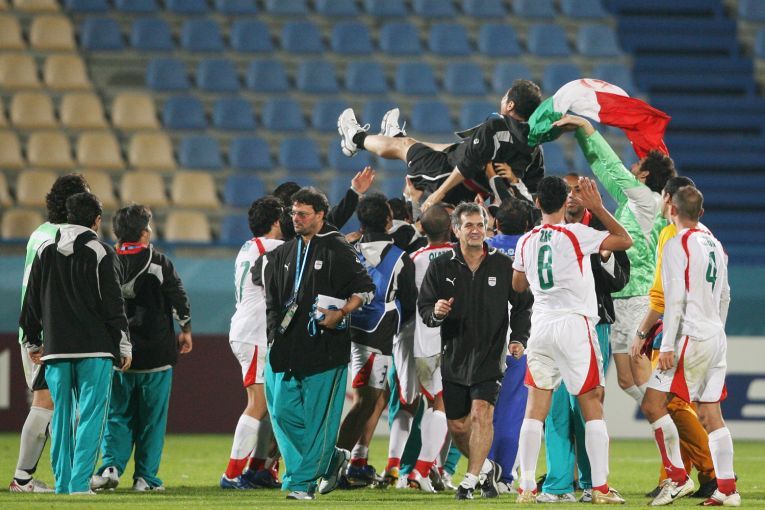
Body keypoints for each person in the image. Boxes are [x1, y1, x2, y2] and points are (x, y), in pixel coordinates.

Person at [512, 176, 632, 504]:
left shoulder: (526, 240)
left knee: (535, 408)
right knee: (591, 403)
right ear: (565, 203)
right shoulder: (577, 233)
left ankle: (526, 486)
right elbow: (624, 240)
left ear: (537, 203)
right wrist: (599, 208)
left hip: (541, 327)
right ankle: (600, 488)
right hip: (574, 325)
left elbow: (518, 285)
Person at [259, 187, 375, 500]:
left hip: (326, 346)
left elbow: (366, 289)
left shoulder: (337, 247)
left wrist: (342, 313)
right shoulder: (285, 252)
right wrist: (273, 335)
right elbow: (273, 301)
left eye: (303, 214)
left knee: (319, 421)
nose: (295, 219)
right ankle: (331, 459)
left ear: (320, 215)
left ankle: (302, 483)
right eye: (293, 213)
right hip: (287, 347)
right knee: (282, 413)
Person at [552, 114, 676, 408]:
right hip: (619, 295)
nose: (632, 167)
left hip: (638, 296)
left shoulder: (648, 200)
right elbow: (602, 167)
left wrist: (587, 127)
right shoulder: (633, 201)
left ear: (644, 176)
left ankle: (672, 422)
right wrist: (581, 137)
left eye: (638, 165)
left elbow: (614, 167)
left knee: (640, 371)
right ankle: (665, 418)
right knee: (625, 380)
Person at [418, 202, 533, 500]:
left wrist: (519, 338)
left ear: (487, 228)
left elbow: (523, 304)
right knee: (458, 425)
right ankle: (486, 469)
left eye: (480, 225)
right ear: (456, 230)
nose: (475, 230)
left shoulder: (503, 265)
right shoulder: (440, 265)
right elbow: (425, 307)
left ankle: (469, 481)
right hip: (454, 356)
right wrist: (436, 313)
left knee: (482, 414)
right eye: (468, 225)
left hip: (490, 356)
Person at [20, 192, 131, 495]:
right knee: (91, 417)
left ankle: (63, 484)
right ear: (97, 220)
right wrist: (123, 345)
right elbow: (114, 304)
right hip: (95, 349)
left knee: (61, 419)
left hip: (55, 349)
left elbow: (31, 302)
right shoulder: (102, 251)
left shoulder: (45, 251)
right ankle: (80, 485)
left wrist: (32, 342)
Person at [638, 186, 739, 507]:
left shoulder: (676, 243)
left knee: (653, 404)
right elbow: (726, 295)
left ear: (672, 210)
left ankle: (678, 478)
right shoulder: (715, 244)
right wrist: (716, 329)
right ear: (701, 213)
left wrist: (667, 345)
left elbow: (675, 298)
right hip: (715, 336)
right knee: (710, 413)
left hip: (690, 337)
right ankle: (727, 489)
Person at [91, 204, 192, 492]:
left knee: (117, 416)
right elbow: (179, 300)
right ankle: (145, 479)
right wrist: (186, 330)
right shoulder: (159, 262)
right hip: (156, 356)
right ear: (145, 233)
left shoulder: (105, 262)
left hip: (118, 354)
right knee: (152, 421)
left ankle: (111, 467)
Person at [628, 177, 717, 499]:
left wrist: (644, 331)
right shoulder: (710, 239)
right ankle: (681, 474)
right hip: (708, 332)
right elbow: (724, 293)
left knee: (668, 404)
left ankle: (707, 472)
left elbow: (664, 294)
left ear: (669, 202)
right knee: (689, 406)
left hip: (680, 333)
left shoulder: (673, 236)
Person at [337, 80, 544, 206]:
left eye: (506, 96)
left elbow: (467, 165)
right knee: (444, 146)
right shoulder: (534, 146)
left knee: (404, 147)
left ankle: (355, 139)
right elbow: (532, 189)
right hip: (472, 183)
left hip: (450, 176)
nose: (503, 98)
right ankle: (395, 135)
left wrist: (438, 193)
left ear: (510, 104)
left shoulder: (496, 127)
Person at [9, 174, 89, 493]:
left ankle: (63, 474)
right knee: (46, 401)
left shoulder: (40, 232)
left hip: (34, 328)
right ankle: (22, 479)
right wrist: (40, 335)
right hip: (46, 331)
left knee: (55, 404)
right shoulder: (60, 239)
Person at [336, 193, 417, 485]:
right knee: (365, 402)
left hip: (347, 329)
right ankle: (335, 467)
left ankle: (351, 462)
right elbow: (410, 300)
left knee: (370, 399)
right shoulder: (400, 258)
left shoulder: (348, 249)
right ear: (388, 220)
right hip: (376, 335)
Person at [219, 196, 285, 489]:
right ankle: (232, 475)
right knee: (257, 404)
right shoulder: (273, 248)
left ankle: (257, 469)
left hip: (246, 329)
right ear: (276, 221)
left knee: (267, 405)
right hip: (255, 332)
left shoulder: (249, 246)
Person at [484, 198, 534, 494]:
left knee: (482, 407)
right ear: (528, 224)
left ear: (496, 223)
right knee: (513, 410)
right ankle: (503, 476)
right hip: (523, 338)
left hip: (485, 338)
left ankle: (482, 468)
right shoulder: (533, 245)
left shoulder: (484, 248)